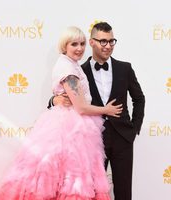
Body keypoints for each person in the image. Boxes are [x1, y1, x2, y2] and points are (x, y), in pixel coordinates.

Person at [0, 26, 123, 200]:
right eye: (74, 44)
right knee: (71, 179)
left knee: (68, 178)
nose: (79, 48)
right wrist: (106, 110)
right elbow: (81, 107)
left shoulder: (71, 64)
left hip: (74, 125)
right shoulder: (67, 68)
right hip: (70, 128)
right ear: (65, 46)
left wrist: (56, 99)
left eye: (82, 44)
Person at [49, 22, 145, 200]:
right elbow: (63, 95)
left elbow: (139, 98)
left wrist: (133, 129)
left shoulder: (125, 68)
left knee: (124, 191)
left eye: (111, 41)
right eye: (103, 41)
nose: (108, 46)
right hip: (93, 140)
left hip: (123, 138)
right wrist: (53, 100)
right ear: (92, 42)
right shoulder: (79, 69)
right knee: (92, 192)